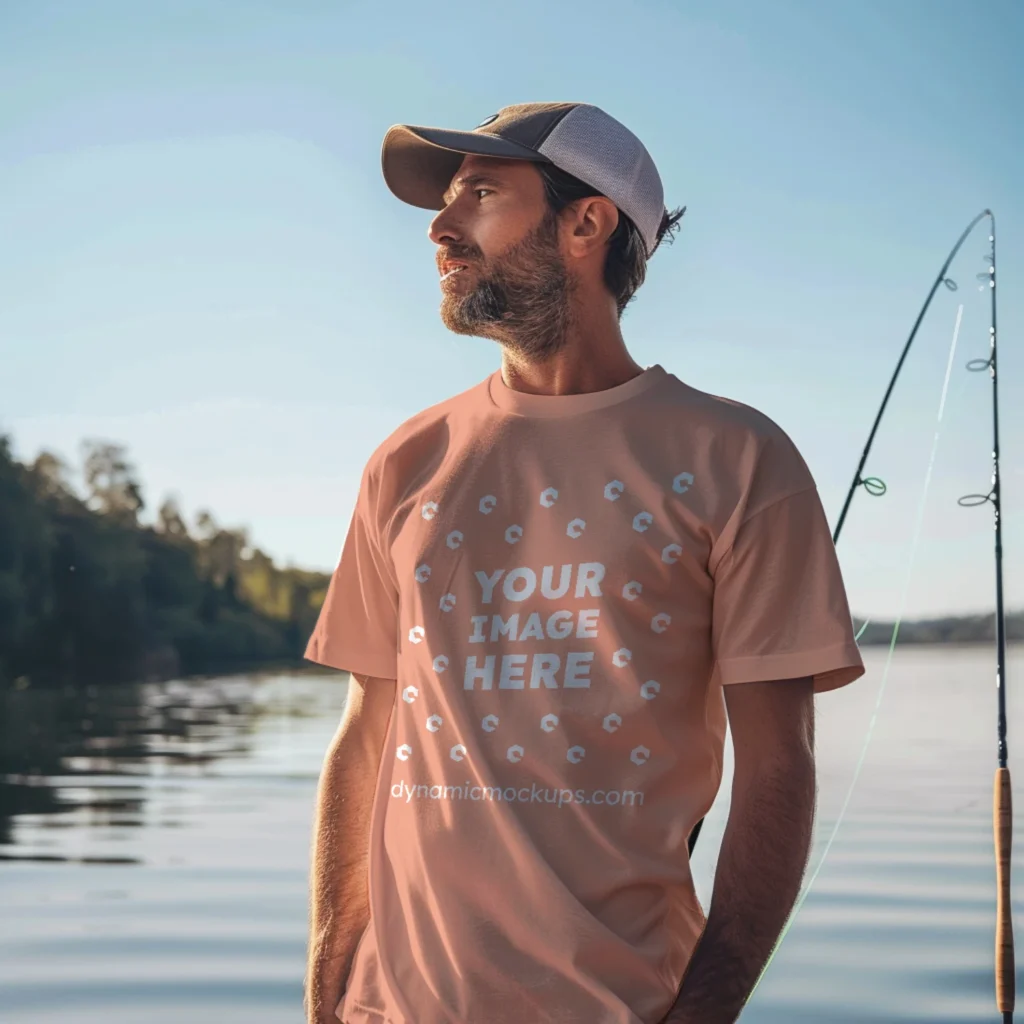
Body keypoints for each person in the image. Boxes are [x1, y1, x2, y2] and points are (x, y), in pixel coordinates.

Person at [303, 101, 865, 1024]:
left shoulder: (737, 460)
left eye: (480, 193)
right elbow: (368, 736)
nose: (441, 227)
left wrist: (705, 1009)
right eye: (446, 202)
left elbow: (779, 766)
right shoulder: (405, 461)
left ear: (586, 222)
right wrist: (328, 989)